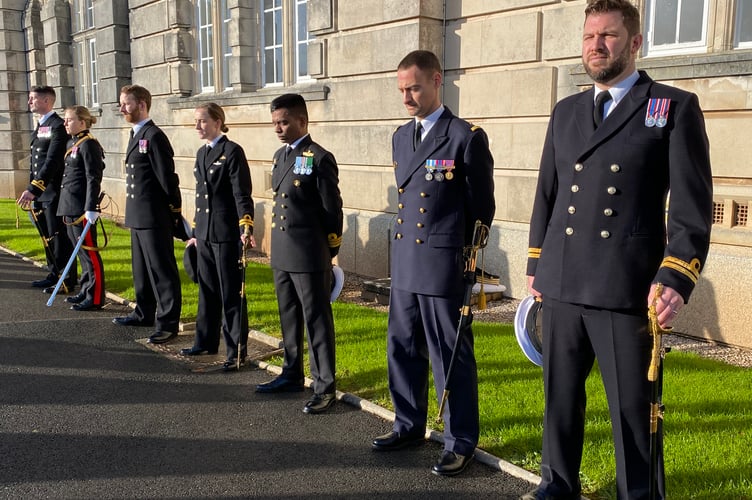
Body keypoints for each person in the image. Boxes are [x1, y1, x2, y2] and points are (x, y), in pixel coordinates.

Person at [522, 1, 713, 499]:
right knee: (559, 400)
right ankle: (556, 485)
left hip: (627, 289)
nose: (596, 45)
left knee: (634, 413)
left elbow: (692, 207)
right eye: (589, 36)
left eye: (608, 35)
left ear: (634, 43)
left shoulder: (670, 106)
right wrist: (535, 266)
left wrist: (676, 277)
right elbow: (549, 192)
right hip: (562, 284)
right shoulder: (566, 111)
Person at [371, 50, 495, 477]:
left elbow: (482, 208)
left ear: (436, 81)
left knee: (450, 354)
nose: (407, 96)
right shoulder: (401, 136)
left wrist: (468, 259)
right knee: (402, 347)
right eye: (402, 89)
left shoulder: (464, 136)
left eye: (414, 87)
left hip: (444, 262)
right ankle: (407, 424)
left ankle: (460, 439)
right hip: (406, 260)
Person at [255, 93, 343, 415]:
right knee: (289, 318)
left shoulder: (319, 158)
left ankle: (324, 386)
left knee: (317, 321)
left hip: (308, 255)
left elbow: (332, 209)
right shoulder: (281, 155)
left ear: (302, 121)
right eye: (275, 122)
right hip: (282, 253)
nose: (278, 128)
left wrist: (330, 247)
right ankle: (292, 373)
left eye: (284, 121)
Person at [180, 103, 255, 372]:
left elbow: (241, 193)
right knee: (208, 290)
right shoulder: (202, 153)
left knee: (231, 294)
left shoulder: (232, 152)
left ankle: (236, 352)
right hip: (206, 234)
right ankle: (205, 341)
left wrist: (245, 224)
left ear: (218, 121)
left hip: (225, 233)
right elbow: (202, 198)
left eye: (202, 121)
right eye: (196, 122)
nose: (198, 127)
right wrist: (197, 233)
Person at [112, 85, 188, 344]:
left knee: (161, 272)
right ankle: (144, 312)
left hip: (155, 216)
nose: (122, 109)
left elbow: (167, 179)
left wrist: (174, 212)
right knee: (141, 270)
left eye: (126, 104)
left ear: (142, 104)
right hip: (139, 214)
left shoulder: (154, 136)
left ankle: (168, 323)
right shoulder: (137, 134)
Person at [17, 86, 76, 294]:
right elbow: (36, 162)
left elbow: (52, 162)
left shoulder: (57, 126)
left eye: (33, 98)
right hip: (41, 193)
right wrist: (32, 188)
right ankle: (54, 273)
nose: (29, 102)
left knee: (58, 236)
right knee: (47, 236)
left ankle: (67, 279)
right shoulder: (42, 125)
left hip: (52, 192)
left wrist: (34, 188)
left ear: (46, 101)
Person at [57, 106, 106, 311]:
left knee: (89, 253)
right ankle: (86, 290)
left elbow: (92, 177)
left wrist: (91, 207)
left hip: (81, 208)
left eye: (69, 119)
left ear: (82, 122)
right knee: (81, 254)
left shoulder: (89, 145)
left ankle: (95, 297)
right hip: (69, 205)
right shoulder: (73, 142)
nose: (65, 123)